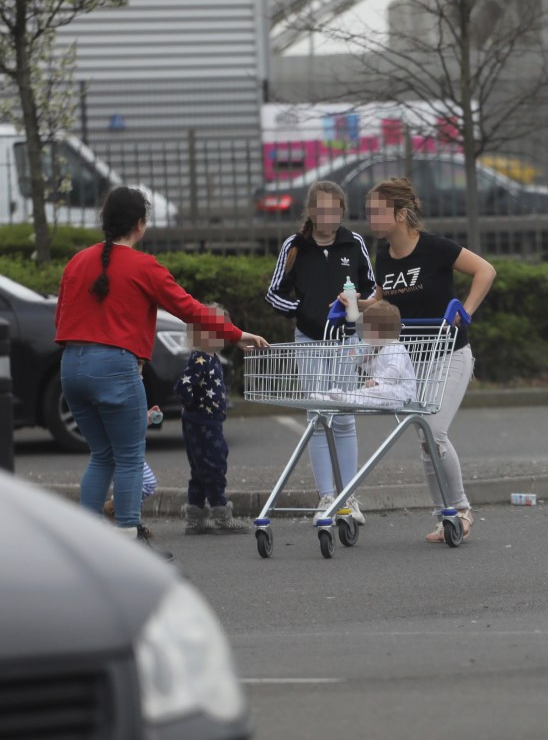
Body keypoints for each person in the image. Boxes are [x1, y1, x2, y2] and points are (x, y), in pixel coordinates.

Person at [55, 186, 269, 555]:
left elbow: (63, 317)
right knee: (128, 457)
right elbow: (190, 309)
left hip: (72, 367)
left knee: (101, 455)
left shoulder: (77, 262)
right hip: (115, 367)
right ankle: (126, 544)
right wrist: (236, 334)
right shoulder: (144, 267)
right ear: (140, 225)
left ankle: (85, 543)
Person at [358, 177, 496, 542]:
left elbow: (486, 271)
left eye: (377, 211)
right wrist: (356, 305)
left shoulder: (435, 248)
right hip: (411, 359)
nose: (370, 217)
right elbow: (384, 301)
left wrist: (464, 311)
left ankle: (462, 510)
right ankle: (444, 515)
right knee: (423, 438)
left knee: (433, 431)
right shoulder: (384, 255)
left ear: (400, 214)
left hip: (449, 355)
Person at [266, 180, 376, 524]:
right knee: (317, 417)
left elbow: (371, 287)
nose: (329, 217)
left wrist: (356, 303)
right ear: (311, 212)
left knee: (344, 417)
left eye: (335, 210)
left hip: (346, 341)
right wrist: (305, 308)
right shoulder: (294, 246)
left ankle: (349, 495)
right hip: (310, 341)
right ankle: (326, 496)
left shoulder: (353, 242)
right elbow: (274, 293)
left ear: (342, 211)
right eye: (322, 210)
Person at [175, 306, 248, 534]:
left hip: (209, 420)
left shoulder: (212, 358)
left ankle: (195, 518)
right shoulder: (200, 358)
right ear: (199, 334)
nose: (222, 336)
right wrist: (193, 406)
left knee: (200, 469)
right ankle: (220, 512)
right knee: (214, 465)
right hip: (202, 422)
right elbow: (182, 387)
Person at [321, 300, 417, 409]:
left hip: (402, 394)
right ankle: (334, 401)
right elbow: (365, 364)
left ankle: (347, 400)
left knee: (378, 391)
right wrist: (362, 354)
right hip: (388, 393)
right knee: (366, 390)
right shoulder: (379, 350)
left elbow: (396, 369)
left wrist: (377, 381)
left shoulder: (395, 347)